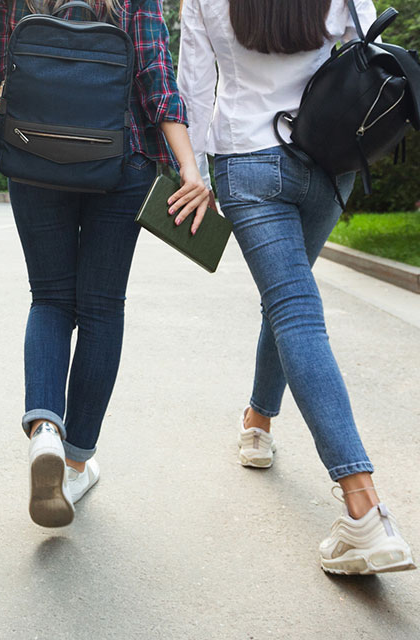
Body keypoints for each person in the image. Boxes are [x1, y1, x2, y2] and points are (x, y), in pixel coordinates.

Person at [178, 0, 415, 574]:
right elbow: (363, 29)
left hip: (247, 163)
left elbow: (193, 86)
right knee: (291, 304)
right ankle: (258, 422)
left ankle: (364, 510)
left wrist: (198, 174)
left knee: (293, 311)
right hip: (329, 155)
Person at [0, 0, 211, 528]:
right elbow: (154, 78)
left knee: (50, 298)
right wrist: (190, 167)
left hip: (33, 155)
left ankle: (45, 433)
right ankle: (76, 461)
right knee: (102, 309)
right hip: (119, 158)